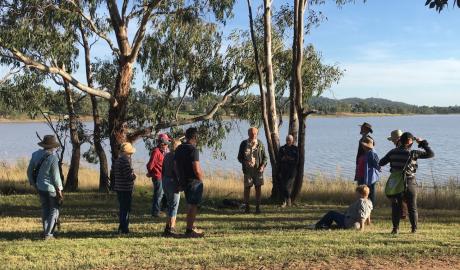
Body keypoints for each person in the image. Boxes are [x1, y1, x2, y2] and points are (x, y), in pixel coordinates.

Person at [379, 132, 434, 234]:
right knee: (412, 207)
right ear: (409, 141)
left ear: (400, 140)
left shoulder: (392, 152)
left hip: (396, 183)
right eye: (412, 141)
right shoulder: (413, 153)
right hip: (410, 182)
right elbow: (430, 154)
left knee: (396, 207)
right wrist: (422, 143)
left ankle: (395, 229)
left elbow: (381, 162)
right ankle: (414, 229)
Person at [27, 135, 63, 240]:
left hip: (40, 187)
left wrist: (34, 184)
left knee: (45, 209)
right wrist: (60, 190)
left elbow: (29, 172)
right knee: (54, 210)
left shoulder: (35, 154)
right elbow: (56, 177)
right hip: (51, 189)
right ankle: (49, 234)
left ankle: (46, 232)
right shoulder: (53, 158)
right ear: (53, 146)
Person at [175, 127, 205, 238]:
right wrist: (201, 178)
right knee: (193, 206)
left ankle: (191, 226)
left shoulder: (179, 149)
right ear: (195, 137)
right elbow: (196, 168)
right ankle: (189, 230)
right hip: (193, 181)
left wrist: (180, 179)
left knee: (190, 204)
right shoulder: (193, 150)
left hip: (184, 180)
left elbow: (176, 166)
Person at [237, 127, 268, 214]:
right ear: (248, 134)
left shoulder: (260, 144)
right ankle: (247, 208)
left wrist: (262, 166)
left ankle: (258, 208)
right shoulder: (243, 144)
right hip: (248, 171)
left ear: (257, 134)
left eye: (255, 134)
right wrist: (245, 162)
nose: (253, 135)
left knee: (258, 188)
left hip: (258, 171)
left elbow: (265, 158)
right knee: (247, 189)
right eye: (252, 134)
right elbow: (239, 158)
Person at [112, 142, 137, 234]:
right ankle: (124, 228)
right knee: (125, 209)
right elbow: (128, 176)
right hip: (125, 188)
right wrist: (134, 176)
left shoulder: (118, 160)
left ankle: (121, 227)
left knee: (122, 208)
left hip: (119, 187)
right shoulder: (125, 161)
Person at [146, 133, 170, 217]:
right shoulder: (156, 151)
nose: (166, 145)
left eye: (166, 143)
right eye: (164, 143)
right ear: (160, 143)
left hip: (164, 176)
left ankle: (163, 210)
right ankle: (155, 212)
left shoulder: (165, 151)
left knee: (164, 194)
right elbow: (150, 165)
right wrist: (151, 173)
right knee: (158, 195)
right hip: (158, 176)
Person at [161, 139, 182, 237]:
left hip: (165, 181)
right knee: (174, 206)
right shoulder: (176, 156)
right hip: (173, 182)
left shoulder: (167, 155)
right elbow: (176, 170)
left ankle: (167, 226)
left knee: (169, 204)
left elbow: (163, 169)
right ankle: (172, 227)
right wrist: (180, 183)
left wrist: (163, 181)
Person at [387, 129, 408, 219]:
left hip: (397, 175)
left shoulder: (394, 151)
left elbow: (382, 162)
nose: (392, 142)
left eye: (393, 140)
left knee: (392, 193)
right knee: (400, 195)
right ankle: (403, 213)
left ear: (397, 139)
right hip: (405, 175)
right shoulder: (407, 149)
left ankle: (402, 213)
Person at [355, 137, 380, 206]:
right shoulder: (364, 152)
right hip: (361, 176)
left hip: (369, 178)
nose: (363, 146)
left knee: (369, 193)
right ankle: (362, 205)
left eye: (364, 145)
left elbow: (378, 165)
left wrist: (376, 168)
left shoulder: (372, 153)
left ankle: (370, 207)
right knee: (361, 192)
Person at [278, 134, 299, 208]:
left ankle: (289, 200)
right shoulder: (282, 148)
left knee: (287, 187)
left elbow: (296, 161)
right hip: (283, 171)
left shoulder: (295, 149)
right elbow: (280, 160)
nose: (288, 141)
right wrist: (288, 159)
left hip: (292, 172)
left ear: (292, 140)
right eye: (287, 139)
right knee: (283, 187)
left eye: (290, 140)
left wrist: (287, 159)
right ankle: (284, 202)